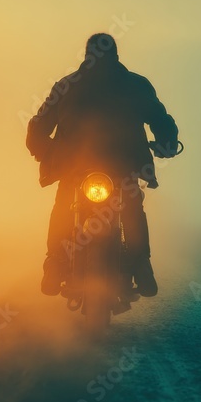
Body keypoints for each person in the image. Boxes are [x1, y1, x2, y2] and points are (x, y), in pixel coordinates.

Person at [26, 33, 179, 297]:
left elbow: (40, 124)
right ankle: (141, 264)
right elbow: (160, 118)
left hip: (75, 169)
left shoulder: (66, 85)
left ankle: (55, 263)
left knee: (64, 206)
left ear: (86, 54)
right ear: (116, 55)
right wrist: (166, 144)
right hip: (124, 167)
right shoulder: (136, 85)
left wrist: (43, 150)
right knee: (132, 208)